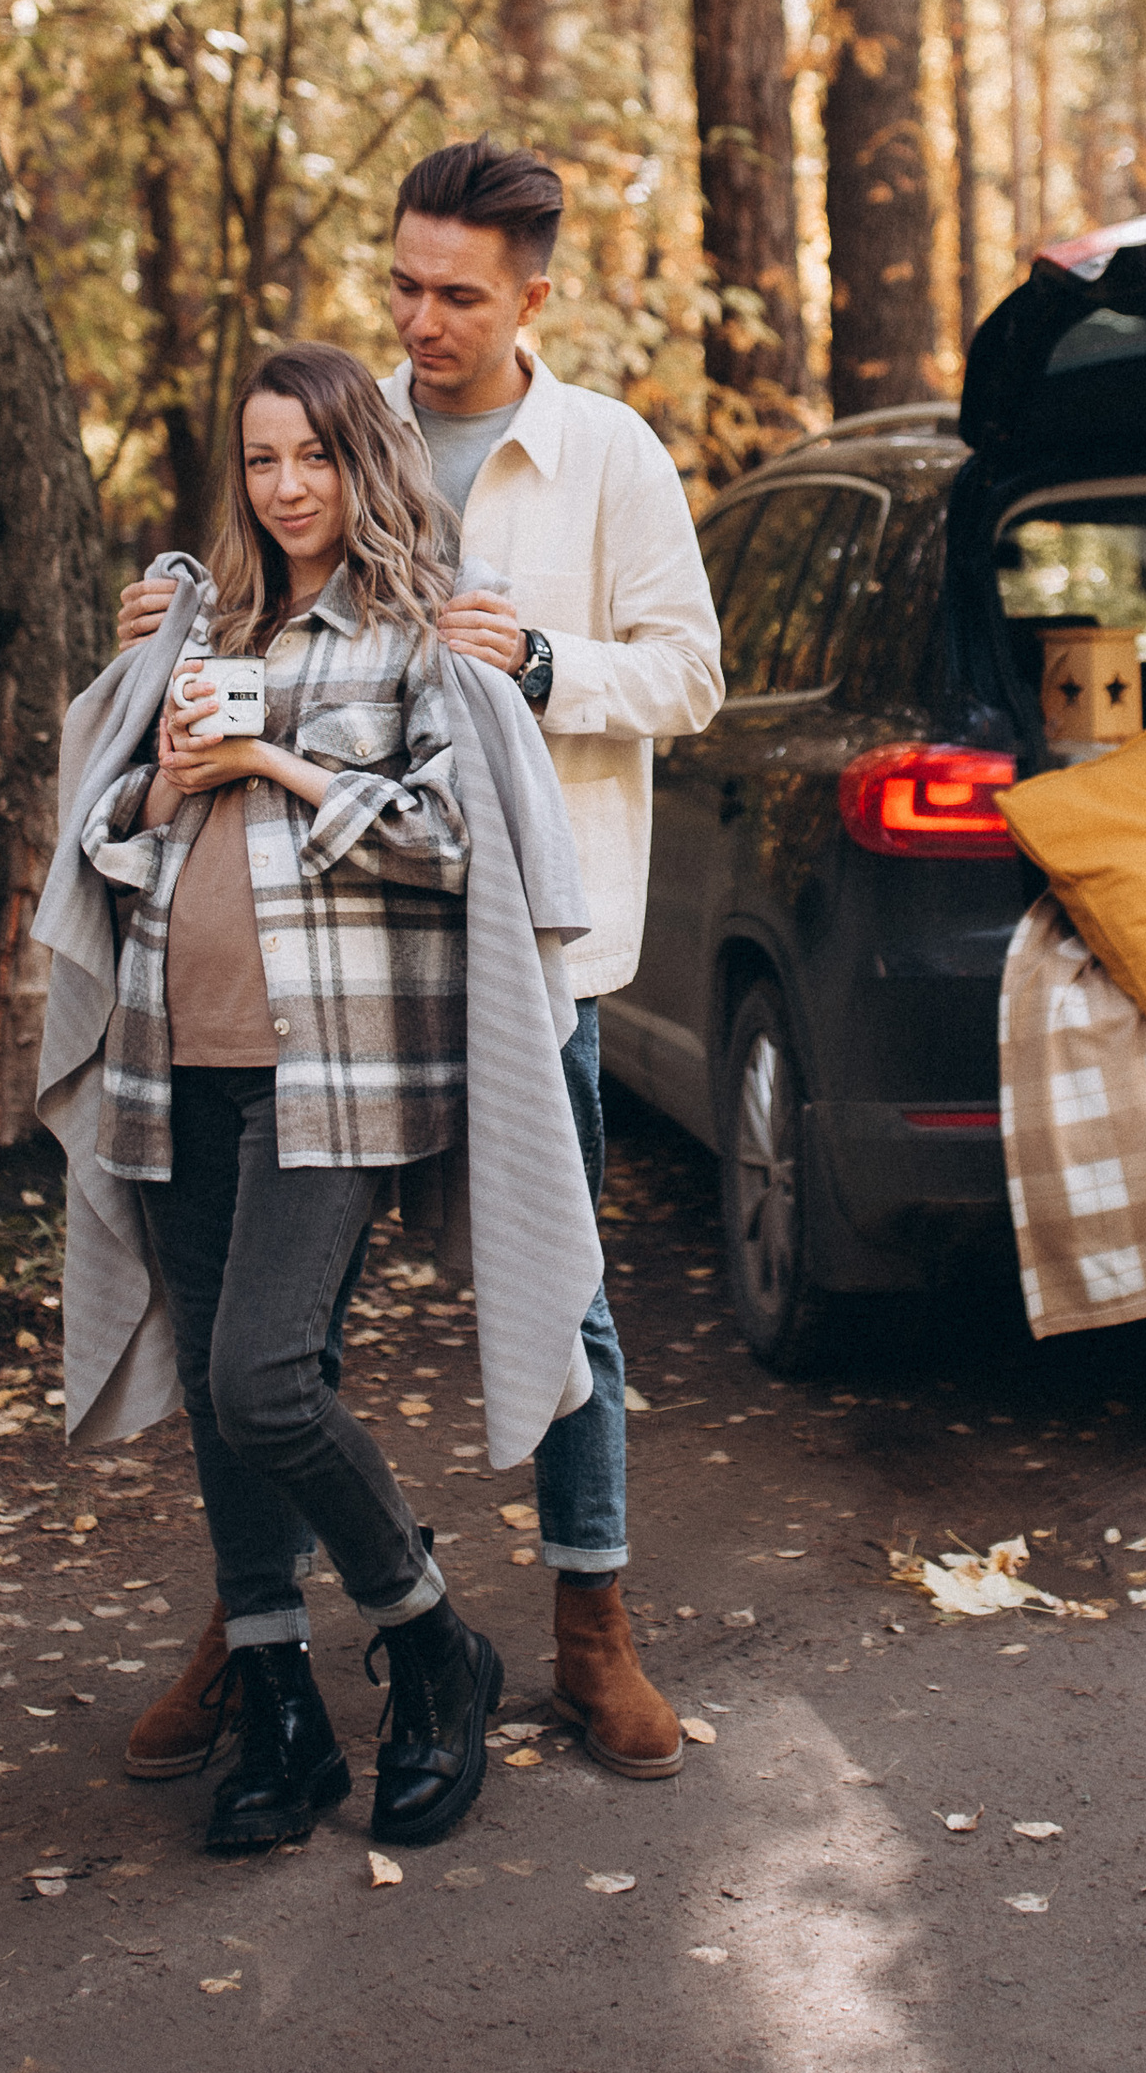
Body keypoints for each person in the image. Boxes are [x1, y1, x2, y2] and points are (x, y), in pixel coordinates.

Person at [117, 139, 725, 1785]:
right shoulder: (341, 428)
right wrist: (170, 611)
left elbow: (693, 675)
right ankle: (255, 1631)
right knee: (271, 1331)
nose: (422, 315)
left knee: (565, 1299)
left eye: (458, 291)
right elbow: (258, 582)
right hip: (335, 951)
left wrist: (539, 660)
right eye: (403, 281)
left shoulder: (605, 454)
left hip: (539, 950)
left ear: (537, 293)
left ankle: (591, 1636)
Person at [43, 340, 597, 1858]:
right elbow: (112, 836)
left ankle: (431, 1641)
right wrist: (163, 776)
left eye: (315, 457)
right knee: (228, 1415)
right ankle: (280, 1703)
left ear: (366, 459)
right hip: (176, 1049)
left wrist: (276, 761)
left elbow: (446, 834)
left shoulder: (421, 628)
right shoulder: (200, 623)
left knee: (265, 1378)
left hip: (337, 1066)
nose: (288, 488)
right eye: (262, 460)